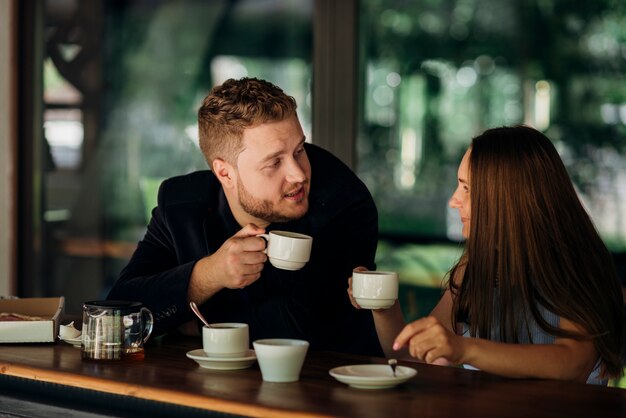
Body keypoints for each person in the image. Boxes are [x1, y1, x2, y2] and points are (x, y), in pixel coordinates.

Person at [108, 77, 382, 356]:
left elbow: (307, 329)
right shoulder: (182, 204)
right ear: (225, 173)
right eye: (274, 162)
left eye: (300, 150)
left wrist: (192, 324)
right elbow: (118, 315)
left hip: (329, 387)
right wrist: (209, 274)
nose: (299, 174)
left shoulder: (343, 202)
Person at [348, 125, 624, 383]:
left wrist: (464, 348)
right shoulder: (474, 267)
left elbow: (574, 363)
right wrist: (383, 306)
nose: (454, 200)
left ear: (506, 197)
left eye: (466, 188)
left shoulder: (578, 265)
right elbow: (414, 360)